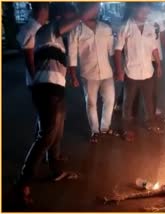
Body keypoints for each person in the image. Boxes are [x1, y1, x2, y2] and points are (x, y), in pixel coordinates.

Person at [15, 3, 96, 206]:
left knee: (56, 133)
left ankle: (56, 170)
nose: (72, 19)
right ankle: (23, 182)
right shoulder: (48, 30)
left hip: (55, 88)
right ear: (60, 16)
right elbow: (80, 16)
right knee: (47, 135)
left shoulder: (58, 39)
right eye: (69, 15)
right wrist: (85, 13)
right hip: (47, 89)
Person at [68, 3, 118, 144]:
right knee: (91, 103)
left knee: (109, 101)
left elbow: (112, 51)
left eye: (97, 9)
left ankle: (105, 127)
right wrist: (73, 76)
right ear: (85, 10)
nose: (96, 11)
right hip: (88, 74)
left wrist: (117, 68)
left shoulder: (105, 28)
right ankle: (94, 131)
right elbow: (71, 55)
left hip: (107, 72)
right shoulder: (76, 30)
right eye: (93, 8)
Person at [114, 3, 162, 142]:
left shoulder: (150, 27)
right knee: (128, 104)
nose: (145, 15)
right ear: (135, 10)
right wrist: (119, 70)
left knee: (149, 102)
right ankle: (126, 128)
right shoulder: (125, 27)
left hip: (148, 71)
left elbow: (154, 48)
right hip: (131, 72)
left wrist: (158, 65)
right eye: (143, 12)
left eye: (147, 12)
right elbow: (117, 51)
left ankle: (151, 123)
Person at [16, 2, 49, 138]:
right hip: (38, 80)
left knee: (44, 115)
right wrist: (36, 79)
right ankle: (41, 150)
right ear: (43, 10)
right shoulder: (32, 29)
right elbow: (29, 58)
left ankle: (46, 149)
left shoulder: (35, 27)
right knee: (45, 115)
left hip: (40, 78)